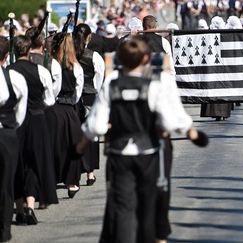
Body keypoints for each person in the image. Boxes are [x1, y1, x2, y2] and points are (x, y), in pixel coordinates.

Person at [78, 38, 204, 243]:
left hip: (119, 154)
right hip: (148, 153)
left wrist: (82, 144)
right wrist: (189, 130)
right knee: (148, 205)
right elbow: (170, 120)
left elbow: (97, 125)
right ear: (147, 59)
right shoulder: (155, 83)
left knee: (122, 207)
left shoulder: (112, 83)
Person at [9, 35, 58, 225]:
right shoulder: (41, 71)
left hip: (15, 121)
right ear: (29, 50)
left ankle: (20, 209)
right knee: (34, 162)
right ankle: (30, 205)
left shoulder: (8, 71)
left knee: (17, 163)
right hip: (37, 119)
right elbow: (50, 99)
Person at [0, 36, 27, 242]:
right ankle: (4, 228)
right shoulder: (16, 79)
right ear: (7, 56)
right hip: (7, 133)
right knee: (6, 183)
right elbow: (20, 112)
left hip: (7, 132)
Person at [51, 33, 84, 198]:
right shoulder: (77, 68)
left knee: (55, 145)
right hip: (69, 109)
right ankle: (71, 183)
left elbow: (53, 90)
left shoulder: (52, 65)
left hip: (55, 108)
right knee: (72, 146)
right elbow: (78, 93)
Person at [73, 23, 105, 186]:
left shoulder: (68, 54)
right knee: (90, 134)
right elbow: (99, 79)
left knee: (75, 135)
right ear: (89, 37)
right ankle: (90, 173)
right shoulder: (95, 56)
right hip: (90, 96)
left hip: (73, 99)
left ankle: (75, 172)